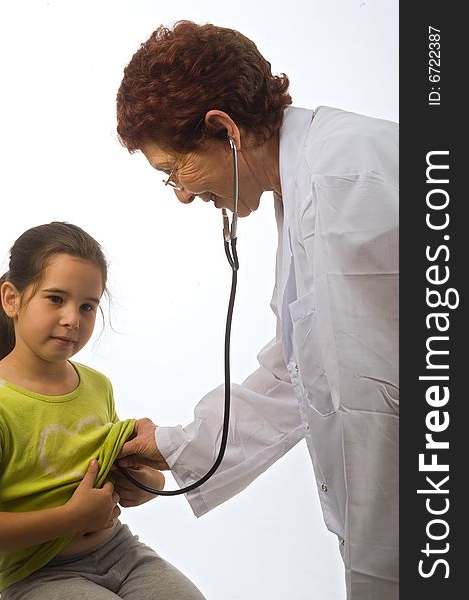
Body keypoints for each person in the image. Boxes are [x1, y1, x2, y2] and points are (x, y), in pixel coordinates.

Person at [115, 21, 399, 600]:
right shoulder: (305, 181)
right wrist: (171, 445)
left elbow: (375, 400)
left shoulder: (347, 181)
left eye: (174, 170)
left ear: (223, 129)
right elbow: (302, 370)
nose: (183, 195)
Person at [0, 221, 206, 600]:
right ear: (12, 299)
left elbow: (121, 474)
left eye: (87, 306)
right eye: (55, 299)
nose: (73, 319)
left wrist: (145, 484)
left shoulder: (97, 385)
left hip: (121, 551)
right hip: (39, 576)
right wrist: (72, 518)